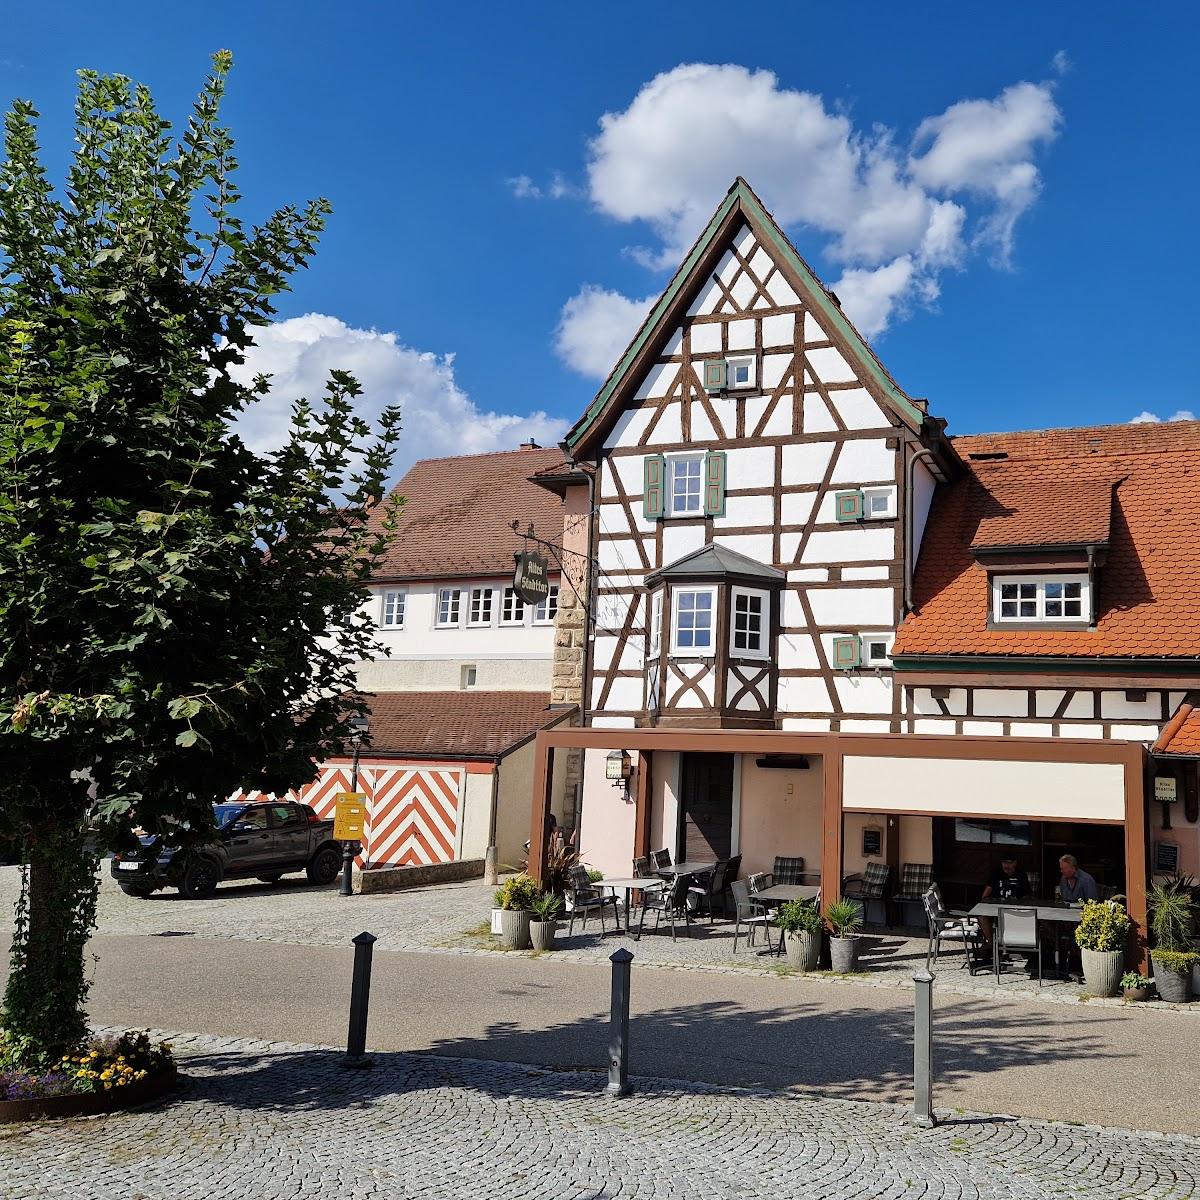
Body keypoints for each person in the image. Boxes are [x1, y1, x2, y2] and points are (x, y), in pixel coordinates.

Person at [978, 855, 1033, 955]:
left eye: (1009, 863)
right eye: (1004, 862)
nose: (1006, 865)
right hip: (996, 909)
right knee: (982, 916)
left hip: (1015, 910)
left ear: (1015, 863)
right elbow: (985, 894)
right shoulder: (996, 874)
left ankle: (1020, 944)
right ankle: (991, 944)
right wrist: (986, 902)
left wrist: (1018, 903)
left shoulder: (1021, 875)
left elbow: (1028, 896)